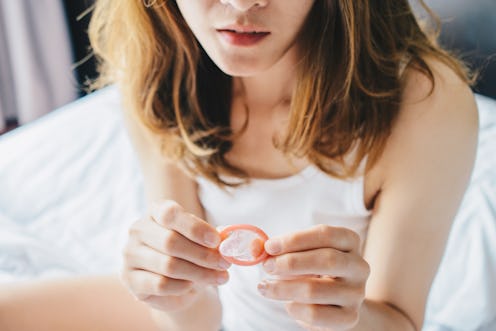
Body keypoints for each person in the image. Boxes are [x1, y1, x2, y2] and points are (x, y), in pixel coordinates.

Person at [0, 1, 478, 331]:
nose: (241, 5)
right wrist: (172, 293)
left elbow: (397, 318)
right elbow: (196, 319)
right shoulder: (157, 70)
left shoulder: (424, 103)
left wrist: (347, 315)